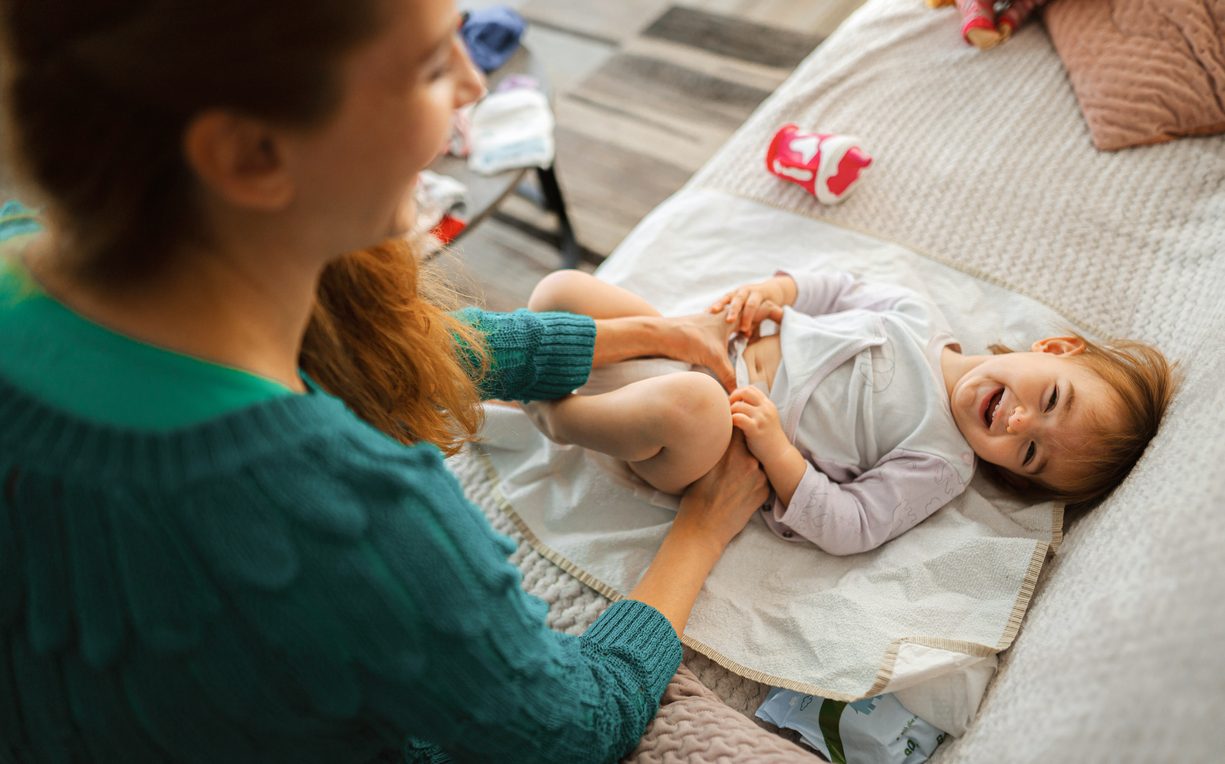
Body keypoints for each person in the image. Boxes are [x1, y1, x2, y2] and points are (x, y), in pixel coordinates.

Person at [0, 1, 770, 762]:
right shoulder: (335, 506)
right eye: (433, 65)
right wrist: (700, 530)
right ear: (250, 156)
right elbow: (569, 730)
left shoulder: (44, 241)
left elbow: (378, 350)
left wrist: (646, 334)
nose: (473, 83)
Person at [526, 269, 1177, 555]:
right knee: (560, 290)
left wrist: (778, 450)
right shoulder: (915, 314)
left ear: (1017, 474)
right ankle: (576, 370)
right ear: (1054, 348)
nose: (1016, 422)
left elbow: (852, 524)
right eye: (1051, 399)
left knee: (692, 403)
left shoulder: (940, 462)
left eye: (1030, 452)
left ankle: (560, 419)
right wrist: (776, 292)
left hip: (713, 436)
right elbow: (834, 287)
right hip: (710, 343)